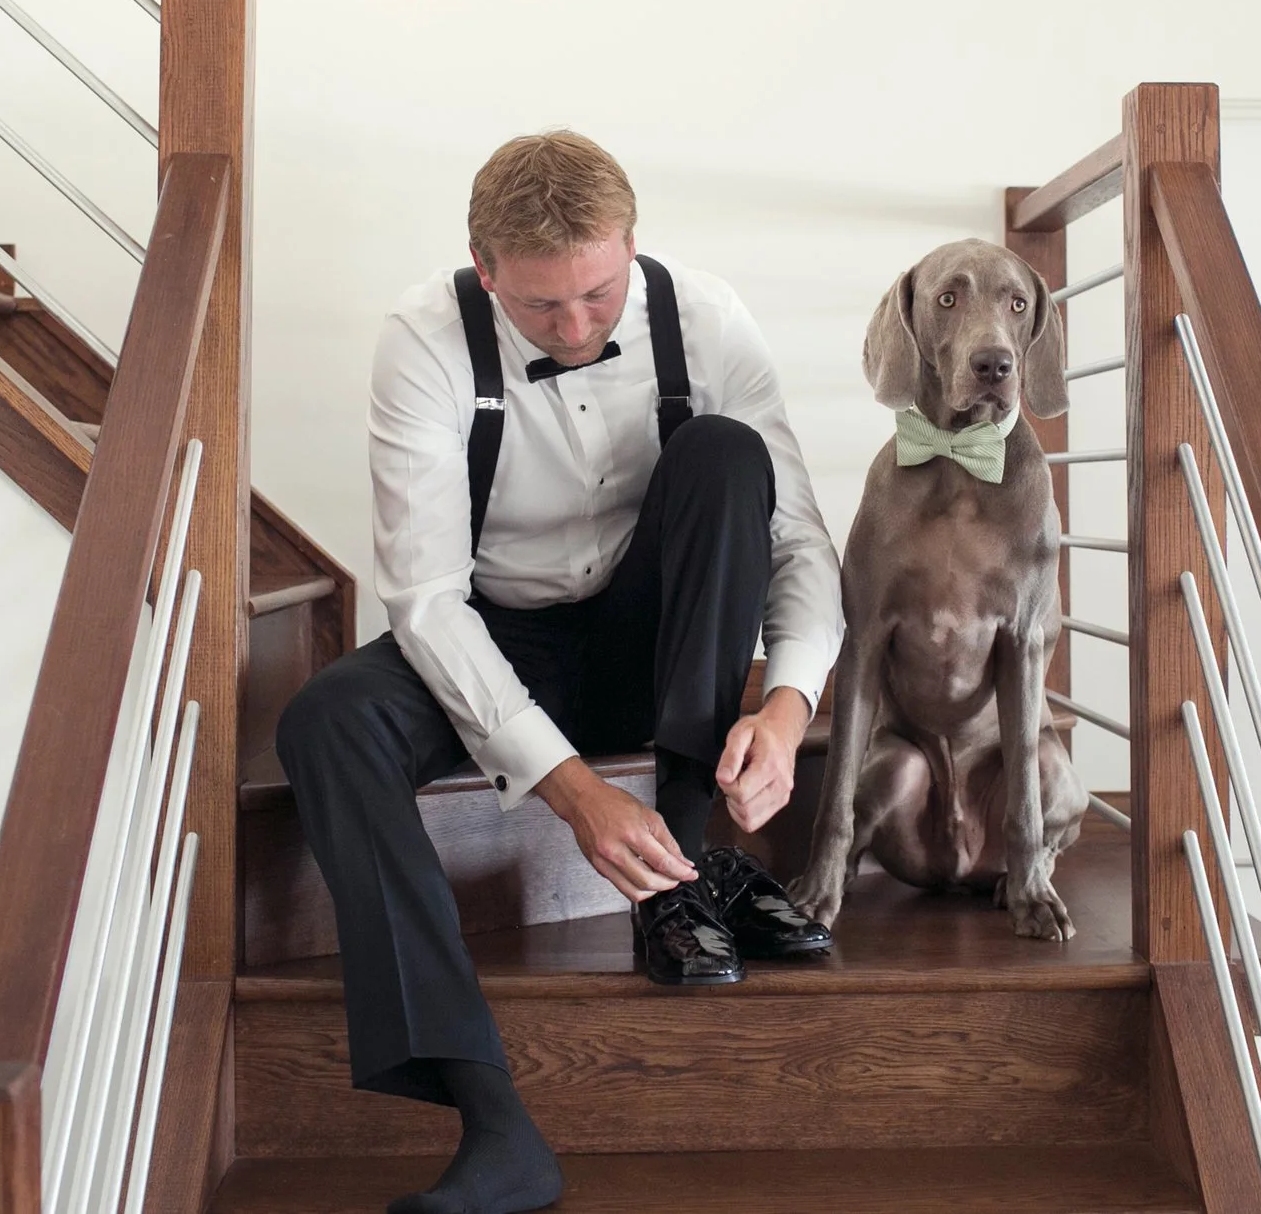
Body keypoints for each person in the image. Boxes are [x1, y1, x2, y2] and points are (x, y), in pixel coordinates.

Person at [275, 130, 844, 1214]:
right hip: (497, 637)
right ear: (485, 269)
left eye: (598, 294)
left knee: (727, 453)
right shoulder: (423, 339)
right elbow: (427, 599)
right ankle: (491, 1115)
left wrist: (784, 704)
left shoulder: (708, 316)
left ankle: (678, 878)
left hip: (650, 640)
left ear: (631, 245)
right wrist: (572, 791)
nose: (576, 329)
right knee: (325, 720)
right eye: (541, 305)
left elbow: (797, 538)